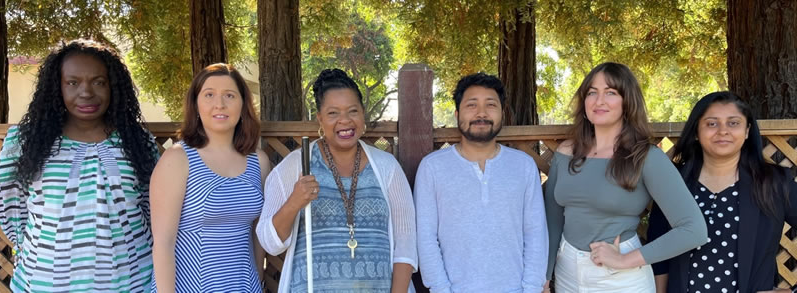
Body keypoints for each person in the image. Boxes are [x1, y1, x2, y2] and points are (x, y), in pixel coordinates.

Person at [0, 39, 158, 292]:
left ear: (113, 86)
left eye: (99, 82)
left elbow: (152, 209)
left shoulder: (138, 141)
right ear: (56, 87)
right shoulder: (23, 142)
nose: (86, 92)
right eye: (73, 82)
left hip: (133, 283)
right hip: (44, 283)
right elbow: (12, 211)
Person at [544, 62, 707, 292]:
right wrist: (545, 274)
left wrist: (624, 260)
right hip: (567, 272)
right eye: (592, 92)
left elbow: (694, 230)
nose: (599, 101)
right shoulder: (565, 153)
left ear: (627, 102)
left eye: (610, 92)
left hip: (619, 277)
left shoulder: (646, 157)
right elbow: (553, 221)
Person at [257, 69, 417, 292]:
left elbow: (406, 245)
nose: (345, 120)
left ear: (363, 115)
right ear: (320, 119)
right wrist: (294, 202)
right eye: (333, 113)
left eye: (353, 111)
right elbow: (270, 243)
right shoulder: (296, 166)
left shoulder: (387, 167)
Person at [647, 91, 797, 293]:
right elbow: (659, 255)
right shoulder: (674, 182)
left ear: (747, 130)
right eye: (711, 123)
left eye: (733, 123)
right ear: (696, 132)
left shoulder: (775, 183)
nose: (723, 131)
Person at [414, 73, 548, 292]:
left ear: (502, 114)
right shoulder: (433, 168)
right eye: (472, 105)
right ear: (457, 114)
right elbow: (426, 237)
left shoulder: (523, 166)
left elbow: (535, 233)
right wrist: (441, 288)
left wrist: (531, 288)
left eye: (491, 105)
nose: (481, 113)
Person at [150, 63, 269, 292]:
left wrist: (259, 282)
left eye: (229, 95)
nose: (219, 104)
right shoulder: (178, 159)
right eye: (209, 95)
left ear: (243, 104)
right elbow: (163, 243)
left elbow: (257, 234)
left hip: (244, 286)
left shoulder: (259, 162)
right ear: (195, 104)